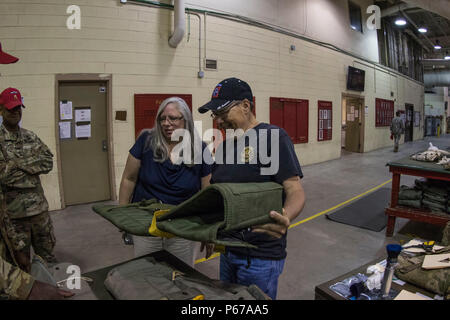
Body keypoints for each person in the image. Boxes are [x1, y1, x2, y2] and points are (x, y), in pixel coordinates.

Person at [198, 78, 306, 299]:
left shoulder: (273, 137)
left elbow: (295, 190)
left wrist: (285, 216)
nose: (218, 120)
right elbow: (218, 195)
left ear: (245, 106)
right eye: (214, 115)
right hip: (227, 250)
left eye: (223, 112)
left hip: (259, 257)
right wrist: (210, 230)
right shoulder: (225, 147)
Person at [119, 97, 212, 266]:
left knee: (181, 275)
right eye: (162, 119)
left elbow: (207, 191)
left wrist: (208, 229)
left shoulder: (200, 149)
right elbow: (129, 178)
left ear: (186, 120)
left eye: (173, 118)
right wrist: (122, 215)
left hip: (183, 227)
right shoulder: (146, 141)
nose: (166, 123)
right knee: (147, 273)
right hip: (146, 224)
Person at [0, 87, 57, 266]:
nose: (16, 112)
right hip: (13, 216)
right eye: (10, 108)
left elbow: (48, 162)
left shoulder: (30, 136)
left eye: (18, 107)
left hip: (39, 212)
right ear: (0, 110)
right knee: (19, 264)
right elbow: (5, 177)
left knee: (47, 258)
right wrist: (33, 166)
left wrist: (17, 164)